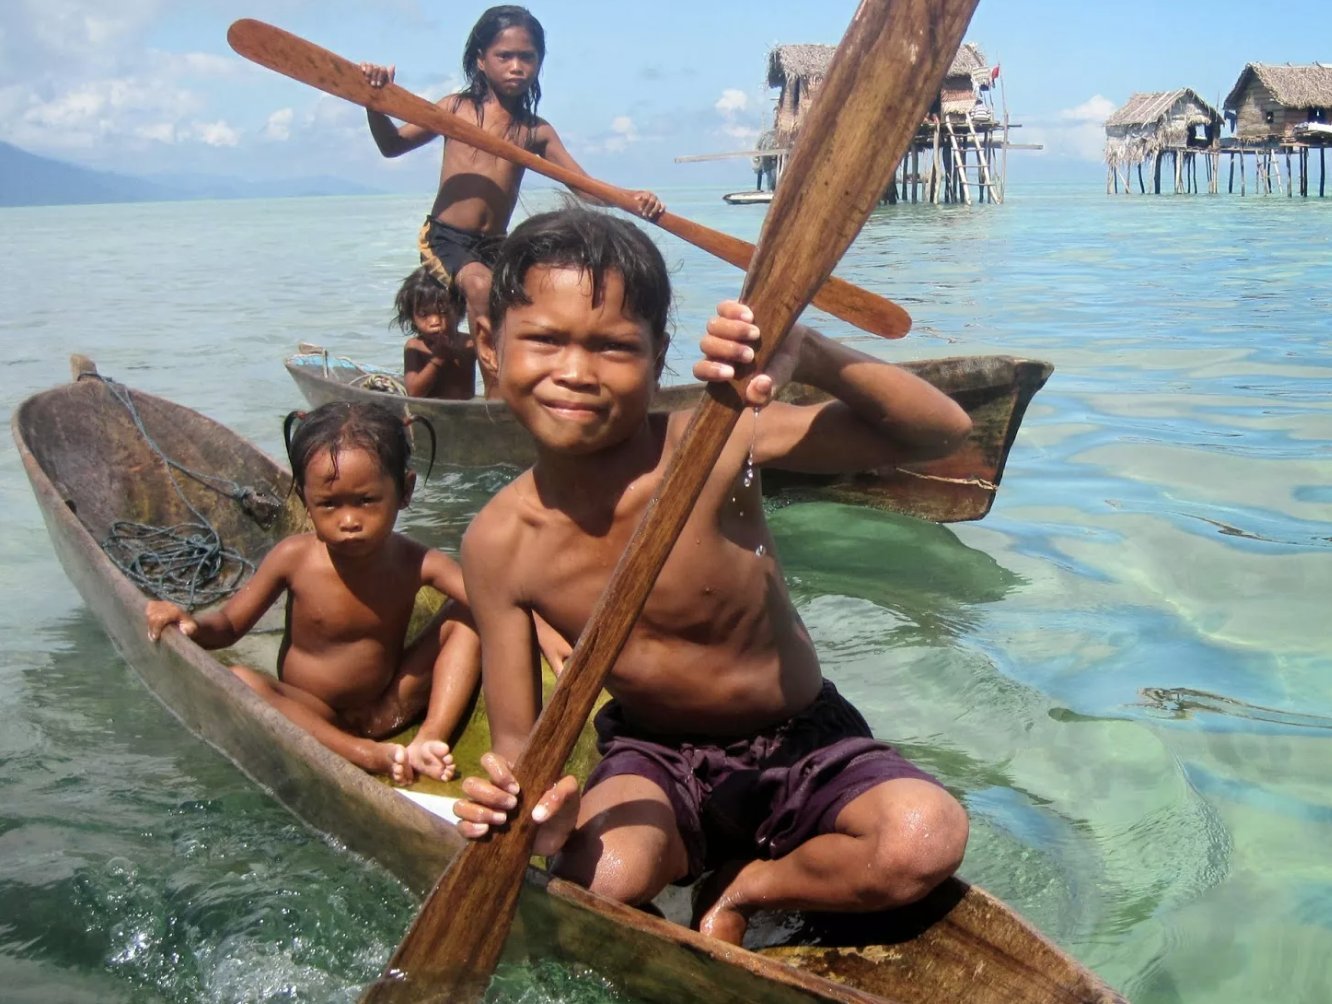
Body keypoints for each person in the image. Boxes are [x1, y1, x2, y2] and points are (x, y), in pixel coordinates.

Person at [451, 208, 975, 944]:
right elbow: (517, 743)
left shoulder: (715, 441)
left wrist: (808, 352)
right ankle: (678, 864)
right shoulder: (498, 544)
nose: (575, 372)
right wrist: (537, 812)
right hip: (656, 757)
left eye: (613, 347)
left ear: (660, 352)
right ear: (488, 345)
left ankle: (745, 887)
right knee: (598, 881)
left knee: (925, 838)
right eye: (544, 340)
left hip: (803, 739)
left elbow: (945, 433)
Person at [145, 402, 479, 784]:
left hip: (386, 707)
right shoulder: (293, 558)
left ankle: (429, 738)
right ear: (305, 500)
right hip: (310, 714)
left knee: (471, 613)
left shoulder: (420, 561)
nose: (349, 521)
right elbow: (230, 625)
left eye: (367, 501)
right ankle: (362, 754)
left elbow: (496, 602)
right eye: (329, 504)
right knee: (241, 680)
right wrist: (192, 625)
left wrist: (550, 635)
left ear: (404, 491)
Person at [360, 5, 664, 392]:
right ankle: (497, 399)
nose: (516, 66)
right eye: (505, 56)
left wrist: (630, 199)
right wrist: (373, 101)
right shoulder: (456, 109)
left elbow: (583, 187)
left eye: (527, 57)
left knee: (532, 302)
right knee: (481, 289)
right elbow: (391, 145)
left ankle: (536, 382)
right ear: (481, 61)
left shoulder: (535, 131)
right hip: (446, 238)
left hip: (495, 246)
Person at [393, 266, 475, 399]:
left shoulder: (469, 344)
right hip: (428, 412)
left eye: (443, 312)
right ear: (412, 318)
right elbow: (414, 393)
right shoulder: (415, 347)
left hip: (464, 412)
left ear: (459, 310)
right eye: (423, 314)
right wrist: (437, 360)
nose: (434, 321)